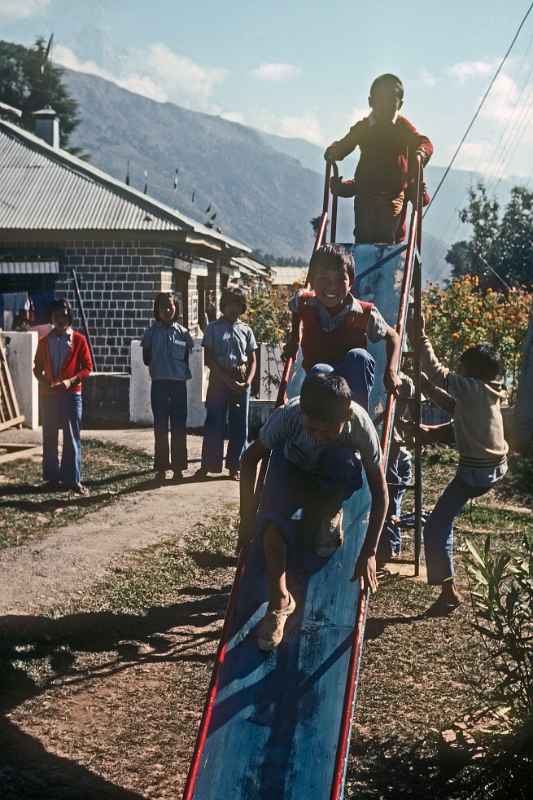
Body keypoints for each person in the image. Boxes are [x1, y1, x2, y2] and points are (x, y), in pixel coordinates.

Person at [239, 372, 388, 651]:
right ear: (303, 414)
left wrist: (369, 551)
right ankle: (280, 601)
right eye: (312, 428)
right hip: (293, 469)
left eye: (327, 431)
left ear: (344, 419)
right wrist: (247, 519)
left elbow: (380, 493)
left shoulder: (360, 426)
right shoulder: (289, 417)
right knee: (270, 523)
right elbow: (249, 461)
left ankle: (329, 511)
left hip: (330, 476)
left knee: (346, 463)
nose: (318, 436)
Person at [407, 314, 508, 612]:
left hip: (476, 473)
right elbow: (455, 410)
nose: (459, 372)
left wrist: (421, 337)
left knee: (435, 526)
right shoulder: (486, 393)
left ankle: (449, 591)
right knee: (442, 522)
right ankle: (448, 588)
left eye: (463, 368)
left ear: (473, 373)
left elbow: (437, 372)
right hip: (493, 466)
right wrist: (425, 389)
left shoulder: (473, 388)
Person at [284, 245, 402, 408]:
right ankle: (323, 420)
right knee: (321, 369)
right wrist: (294, 339)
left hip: (350, 384)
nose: (332, 286)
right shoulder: (304, 302)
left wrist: (391, 372)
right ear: (311, 280)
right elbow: (295, 308)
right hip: (318, 382)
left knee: (360, 356)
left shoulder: (364, 312)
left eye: (340, 279)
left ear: (351, 282)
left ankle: (354, 416)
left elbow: (393, 336)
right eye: (324, 279)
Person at [324, 73, 433, 244]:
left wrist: (421, 153)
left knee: (387, 235)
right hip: (366, 193)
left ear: (400, 105)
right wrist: (333, 152)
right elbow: (346, 144)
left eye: (391, 106)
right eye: (380, 104)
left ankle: (386, 258)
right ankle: (366, 262)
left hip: (393, 194)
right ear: (370, 102)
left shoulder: (402, 127)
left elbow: (424, 142)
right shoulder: (364, 128)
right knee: (364, 235)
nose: (385, 110)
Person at [197, 286, 257, 481]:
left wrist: (246, 382)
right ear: (224, 305)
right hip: (218, 380)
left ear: (243, 307)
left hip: (240, 382)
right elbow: (209, 359)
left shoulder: (246, 330)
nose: (234, 309)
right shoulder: (213, 328)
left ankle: (235, 466)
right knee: (214, 421)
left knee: (240, 425)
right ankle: (208, 464)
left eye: (238, 305)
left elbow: (253, 360)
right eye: (231, 304)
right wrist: (225, 379)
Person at [33, 299, 93, 494]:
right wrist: (45, 381)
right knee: (49, 436)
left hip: (71, 396)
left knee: (71, 437)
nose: (60, 319)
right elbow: (37, 368)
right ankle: (51, 479)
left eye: (64, 315)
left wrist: (70, 382)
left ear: (70, 317)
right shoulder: (44, 342)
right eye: (57, 315)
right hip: (49, 396)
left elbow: (87, 368)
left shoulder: (79, 340)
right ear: (52, 317)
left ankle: (72, 479)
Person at [142, 292, 194, 483]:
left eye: (170, 306)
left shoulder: (183, 332)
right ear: (157, 310)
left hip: (179, 385)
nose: (167, 310)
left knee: (179, 427)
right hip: (159, 385)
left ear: (176, 308)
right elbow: (146, 358)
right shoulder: (150, 333)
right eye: (162, 306)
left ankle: (179, 468)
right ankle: (162, 468)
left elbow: (187, 358)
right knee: (161, 428)